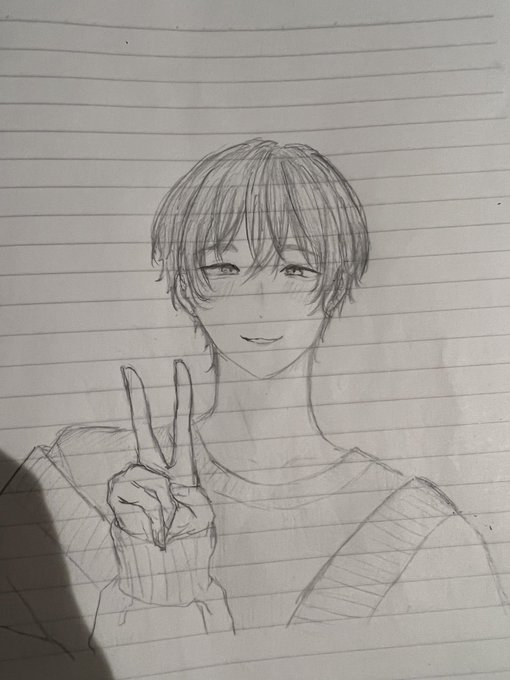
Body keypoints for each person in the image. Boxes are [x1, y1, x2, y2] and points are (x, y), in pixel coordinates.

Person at [1, 139, 506, 660]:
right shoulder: (82, 475)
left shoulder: (422, 530)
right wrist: (157, 600)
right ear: (185, 285)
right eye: (224, 267)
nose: (258, 301)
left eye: (295, 269)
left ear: (335, 286)